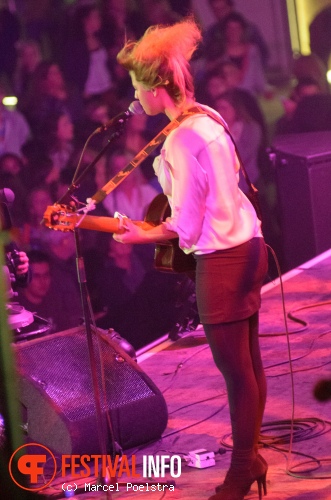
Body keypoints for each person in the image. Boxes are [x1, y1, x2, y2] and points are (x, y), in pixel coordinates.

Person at [113, 17, 268, 500]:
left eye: (138, 87)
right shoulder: (208, 116)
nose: (135, 98)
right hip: (250, 246)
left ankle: (242, 468)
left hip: (221, 260)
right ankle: (252, 457)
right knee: (250, 365)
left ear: (158, 88)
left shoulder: (179, 138)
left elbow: (185, 225)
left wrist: (136, 236)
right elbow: (231, 184)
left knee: (236, 374)